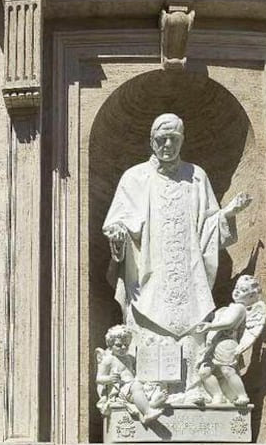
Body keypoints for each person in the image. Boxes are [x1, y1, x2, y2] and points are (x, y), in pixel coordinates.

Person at [102, 113, 252, 339]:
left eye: (174, 138)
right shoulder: (134, 177)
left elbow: (208, 226)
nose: (168, 145)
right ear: (152, 141)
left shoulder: (197, 176)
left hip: (189, 279)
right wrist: (118, 234)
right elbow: (117, 222)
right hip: (147, 277)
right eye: (162, 139)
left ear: (183, 140)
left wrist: (228, 213)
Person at [192, 275, 266, 406]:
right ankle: (218, 395)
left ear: (251, 296)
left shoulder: (239, 308)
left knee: (228, 371)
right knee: (204, 372)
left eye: (243, 290)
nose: (237, 291)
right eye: (237, 288)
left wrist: (210, 326)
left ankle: (242, 396)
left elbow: (229, 323)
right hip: (215, 344)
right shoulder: (227, 308)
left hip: (226, 344)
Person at [95, 324, 166, 424]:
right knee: (136, 386)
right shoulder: (109, 360)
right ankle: (148, 412)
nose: (123, 348)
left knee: (153, 385)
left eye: (126, 345)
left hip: (133, 388)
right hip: (120, 389)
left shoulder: (130, 358)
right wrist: (110, 378)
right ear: (110, 345)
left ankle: (150, 405)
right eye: (119, 345)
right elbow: (98, 378)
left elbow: (140, 370)